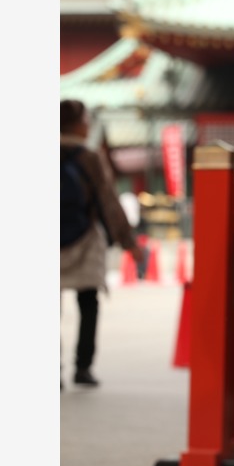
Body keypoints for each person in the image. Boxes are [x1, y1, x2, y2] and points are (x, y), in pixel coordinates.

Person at [60, 99, 141, 388]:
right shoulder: (89, 157)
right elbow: (109, 202)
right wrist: (129, 242)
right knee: (88, 302)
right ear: (79, 124)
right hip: (84, 239)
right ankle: (83, 368)